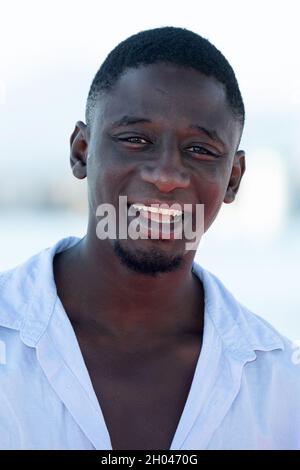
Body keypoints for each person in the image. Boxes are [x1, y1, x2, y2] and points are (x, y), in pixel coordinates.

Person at [0, 26, 299, 451]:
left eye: (200, 150)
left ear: (233, 178)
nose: (165, 176)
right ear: (81, 150)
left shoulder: (281, 388)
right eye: (136, 140)